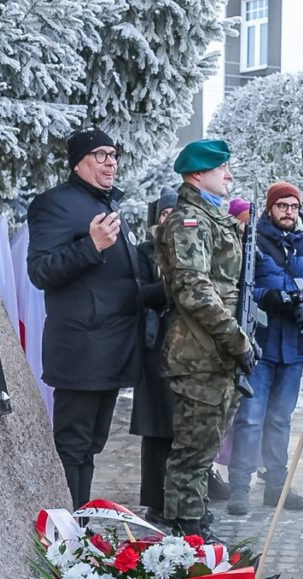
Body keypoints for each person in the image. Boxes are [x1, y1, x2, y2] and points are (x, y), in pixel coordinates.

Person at [27, 127, 143, 511]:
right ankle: (65, 534)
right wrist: (90, 246)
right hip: (81, 351)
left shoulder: (107, 205)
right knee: (73, 446)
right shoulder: (54, 204)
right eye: (101, 155)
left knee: (91, 446)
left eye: (113, 154)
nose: (111, 161)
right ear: (78, 161)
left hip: (112, 350)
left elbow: (120, 280)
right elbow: (41, 271)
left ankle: (79, 524)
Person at [154, 139, 253, 538]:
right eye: (221, 168)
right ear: (198, 174)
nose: (229, 175)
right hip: (200, 352)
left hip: (216, 352)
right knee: (192, 452)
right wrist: (237, 339)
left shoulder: (211, 218)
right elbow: (194, 290)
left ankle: (192, 519)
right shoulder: (188, 222)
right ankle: (185, 529)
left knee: (206, 447)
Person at [226, 182, 303, 516]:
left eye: (294, 206)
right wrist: (266, 298)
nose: (289, 212)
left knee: (280, 420)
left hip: (294, 347)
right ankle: (239, 487)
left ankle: (276, 486)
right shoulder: (252, 243)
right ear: (270, 209)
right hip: (260, 346)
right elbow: (240, 287)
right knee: (251, 418)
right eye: (282, 206)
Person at [130, 188, 177, 525]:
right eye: (164, 213)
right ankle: (154, 500)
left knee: (186, 430)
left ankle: (184, 498)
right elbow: (138, 295)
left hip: (191, 351)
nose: (170, 219)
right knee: (157, 428)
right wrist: (175, 285)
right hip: (155, 347)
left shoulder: (196, 251)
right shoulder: (144, 253)